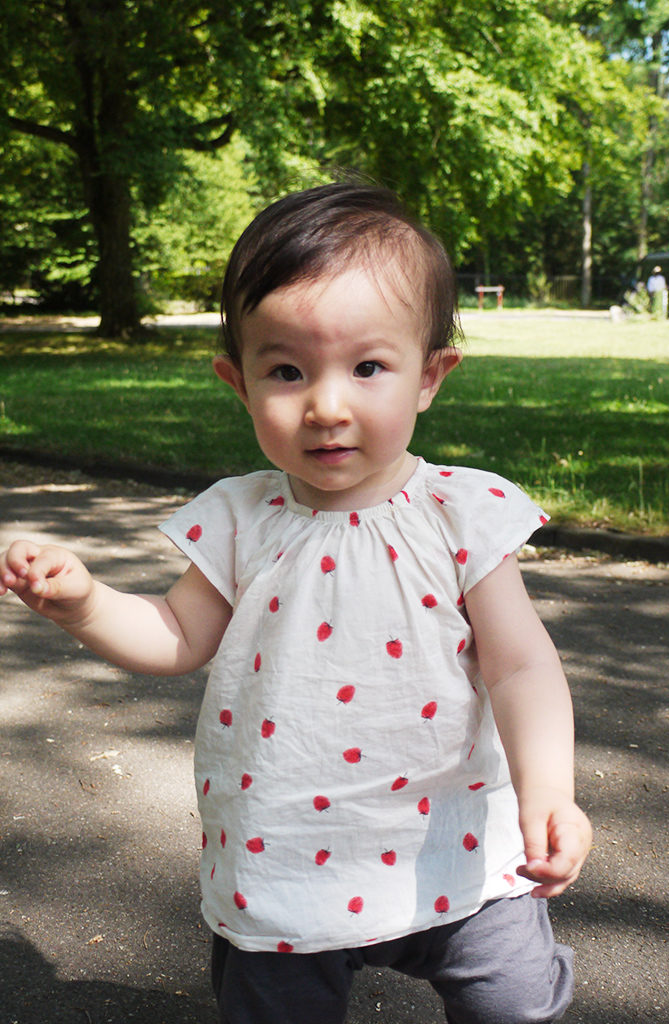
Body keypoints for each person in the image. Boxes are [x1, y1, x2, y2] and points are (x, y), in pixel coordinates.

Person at [0, 182, 591, 1024]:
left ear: (430, 376)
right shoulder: (240, 519)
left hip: (460, 845)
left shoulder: (460, 513)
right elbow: (176, 635)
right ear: (238, 383)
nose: (326, 406)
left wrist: (550, 788)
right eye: (286, 371)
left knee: (514, 1002)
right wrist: (85, 604)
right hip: (285, 858)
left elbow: (521, 665)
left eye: (368, 368)